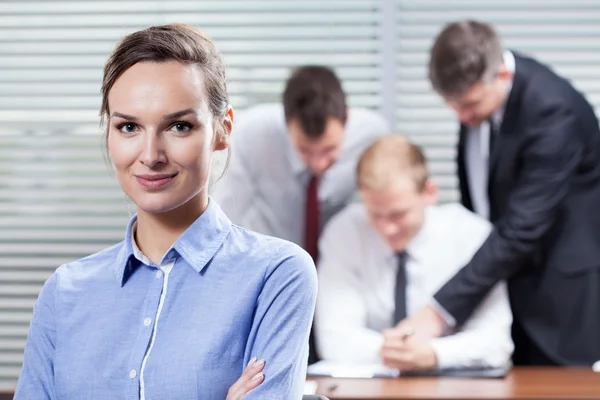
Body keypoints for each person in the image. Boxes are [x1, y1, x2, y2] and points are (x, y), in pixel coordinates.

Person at [14, 24, 317, 399]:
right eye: (128, 126)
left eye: (179, 126)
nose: (151, 155)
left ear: (222, 130)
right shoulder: (65, 292)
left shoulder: (276, 274)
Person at [399, 20, 600, 366]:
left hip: (558, 298)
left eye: (470, 105)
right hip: (503, 286)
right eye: (453, 106)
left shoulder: (554, 113)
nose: (462, 116)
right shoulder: (480, 104)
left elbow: (521, 228)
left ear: (502, 75)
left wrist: (438, 312)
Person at [212, 65, 389, 364]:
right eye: (306, 151)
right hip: (274, 277)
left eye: (330, 150)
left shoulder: (372, 134)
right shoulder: (253, 134)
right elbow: (225, 218)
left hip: (336, 279)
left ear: (347, 118)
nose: (319, 164)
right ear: (287, 124)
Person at [315, 135, 512, 372]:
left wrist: (434, 354)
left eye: (398, 214)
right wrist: (398, 351)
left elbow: (496, 342)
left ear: (430, 192)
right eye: (375, 214)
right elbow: (334, 337)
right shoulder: (344, 233)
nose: (387, 228)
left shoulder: (471, 235)